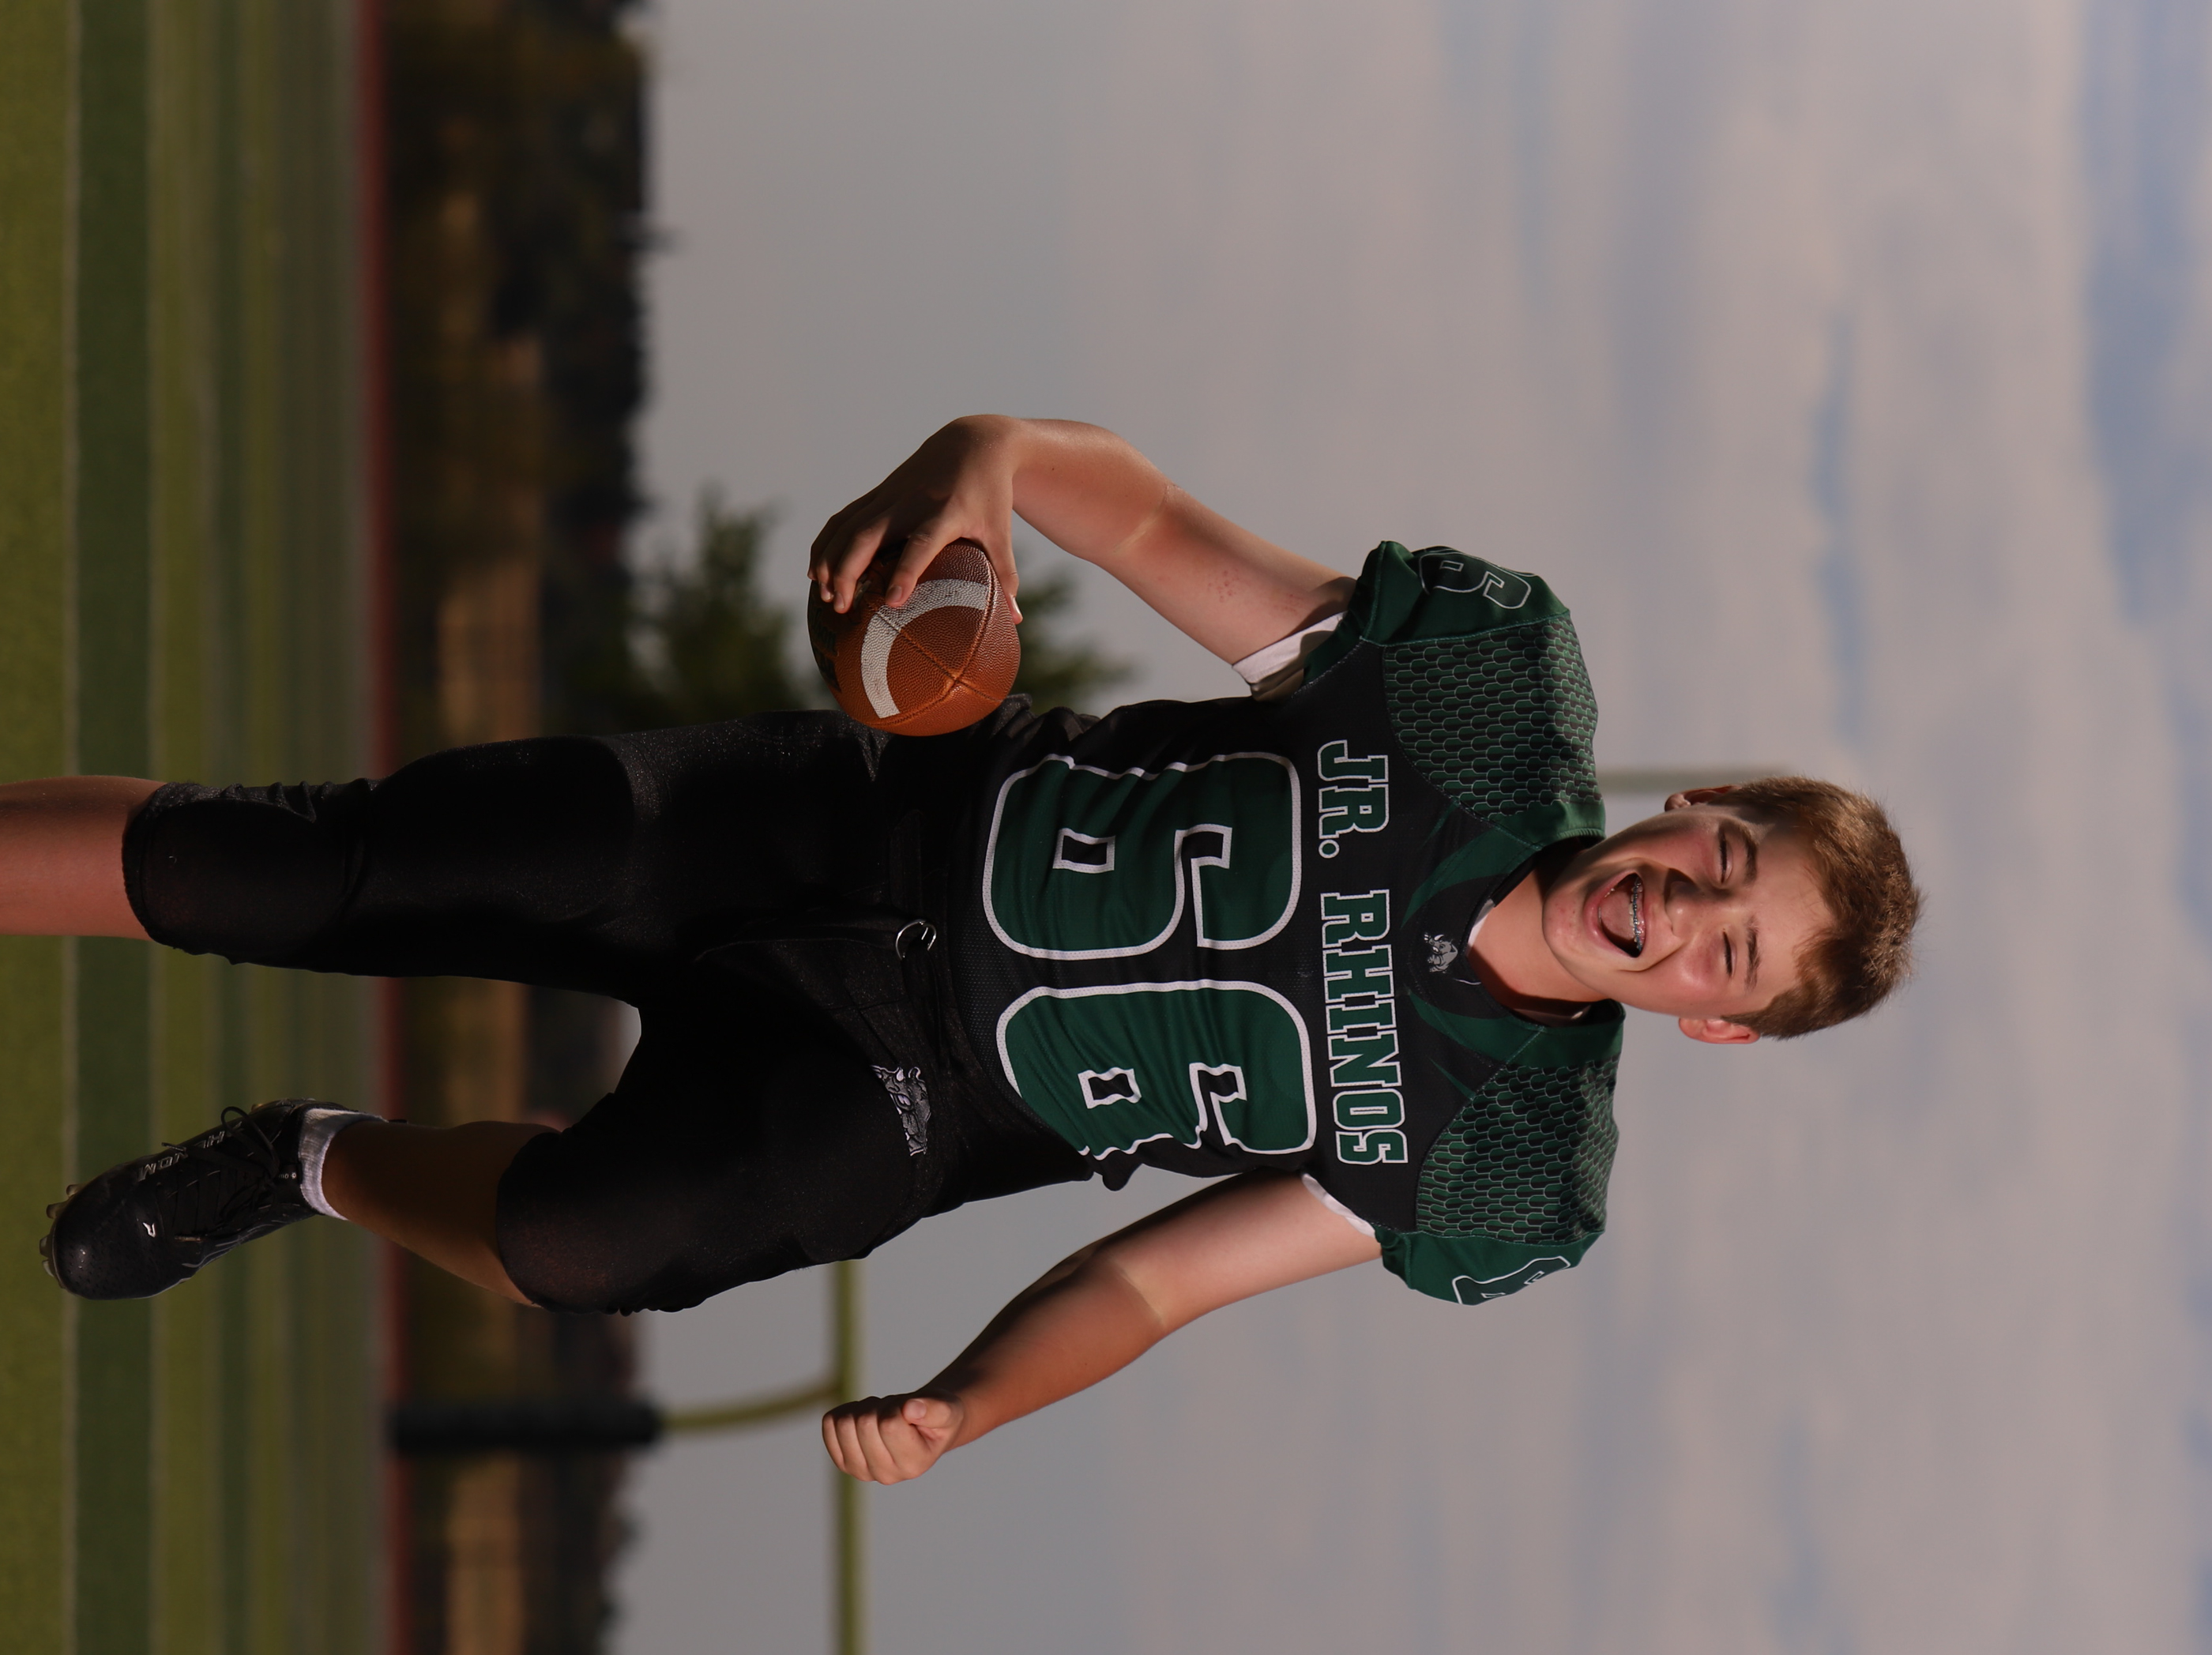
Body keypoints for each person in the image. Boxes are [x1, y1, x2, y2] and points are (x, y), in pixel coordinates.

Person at [14, 416, 1920, 1485]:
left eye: (1729, 957)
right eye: (1721, 859)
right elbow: (1143, 517)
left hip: (904, 1096)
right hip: (867, 819)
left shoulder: (1499, 1157)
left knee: (577, 1243)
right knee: (310, 874)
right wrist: (992, 460)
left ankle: (300, 1163)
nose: (1685, 913)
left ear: (1716, 1029)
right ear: (1696, 806)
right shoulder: (1481, 698)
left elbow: (1152, 1280)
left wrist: (971, 1400)